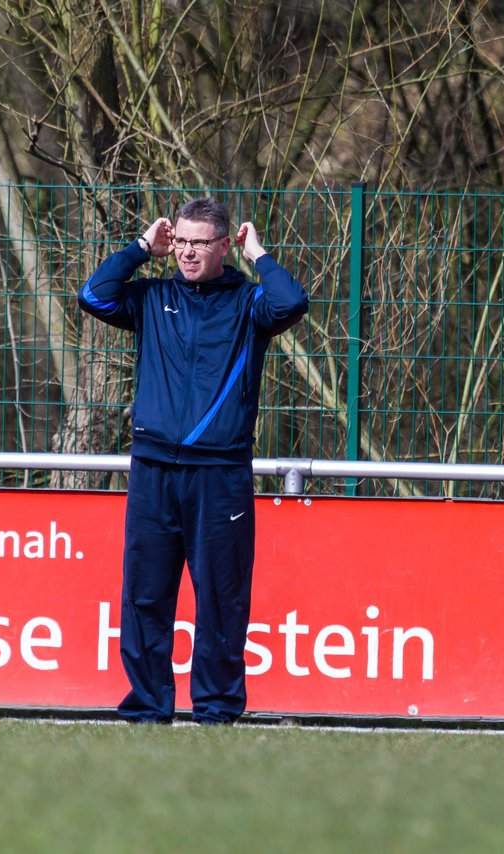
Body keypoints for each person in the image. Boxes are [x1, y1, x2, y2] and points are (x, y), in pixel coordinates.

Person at [78, 198, 309, 724]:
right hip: (153, 471)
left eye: (200, 243)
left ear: (224, 246)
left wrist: (260, 254)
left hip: (221, 476)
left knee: (222, 600)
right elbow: (92, 295)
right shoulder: (151, 297)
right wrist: (140, 249)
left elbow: (291, 301)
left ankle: (217, 710)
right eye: (180, 241)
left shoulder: (251, 305)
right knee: (144, 598)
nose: (187, 252)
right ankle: (146, 710)